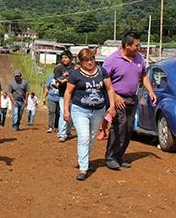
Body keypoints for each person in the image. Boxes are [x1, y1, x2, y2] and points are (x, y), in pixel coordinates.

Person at [103, 31, 157, 170]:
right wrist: (115, 97)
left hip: (132, 98)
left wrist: (150, 90)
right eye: (136, 45)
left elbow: (143, 75)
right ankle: (110, 157)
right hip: (117, 98)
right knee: (119, 127)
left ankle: (119, 156)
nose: (139, 48)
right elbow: (104, 80)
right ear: (127, 45)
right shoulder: (112, 59)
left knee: (128, 128)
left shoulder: (139, 57)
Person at [64, 48, 116, 180]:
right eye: (86, 60)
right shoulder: (75, 75)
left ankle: (85, 161)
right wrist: (66, 110)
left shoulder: (102, 71)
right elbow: (68, 93)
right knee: (84, 136)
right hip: (80, 109)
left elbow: (110, 89)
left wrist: (112, 106)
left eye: (92, 59)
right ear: (81, 62)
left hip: (98, 110)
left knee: (92, 136)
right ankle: (83, 168)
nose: (90, 63)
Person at [54, 50, 75, 142]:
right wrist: (66, 78)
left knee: (72, 115)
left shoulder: (75, 67)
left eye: (66, 57)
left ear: (70, 58)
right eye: (62, 58)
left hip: (74, 95)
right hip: (63, 95)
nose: (64, 59)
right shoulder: (59, 68)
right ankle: (61, 134)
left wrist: (67, 76)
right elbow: (58, 80)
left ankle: (68, 132)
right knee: (64, 113)